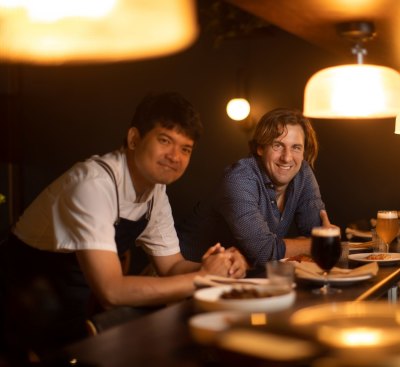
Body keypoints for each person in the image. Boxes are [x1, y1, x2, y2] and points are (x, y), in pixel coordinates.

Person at [0, 92, 247, 362]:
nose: (175, 156)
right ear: (134, 138)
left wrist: (219, 266)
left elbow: (172, 267)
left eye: (185, 149)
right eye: (165, 140)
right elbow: (111, 291)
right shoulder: (93, 184)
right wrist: (203, 278)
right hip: (19, 302)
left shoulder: (156, 192)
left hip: (70, 306)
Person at [178, 107, 330, 273]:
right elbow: (265, 252)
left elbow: (315, 232)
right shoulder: (239, 179)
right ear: (260, 148)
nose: (287, 157)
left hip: (238, 276)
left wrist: (312, 243)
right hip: (185, 273)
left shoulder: (302, 172)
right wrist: (317, 243)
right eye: (277, 145)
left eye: (296, 147)